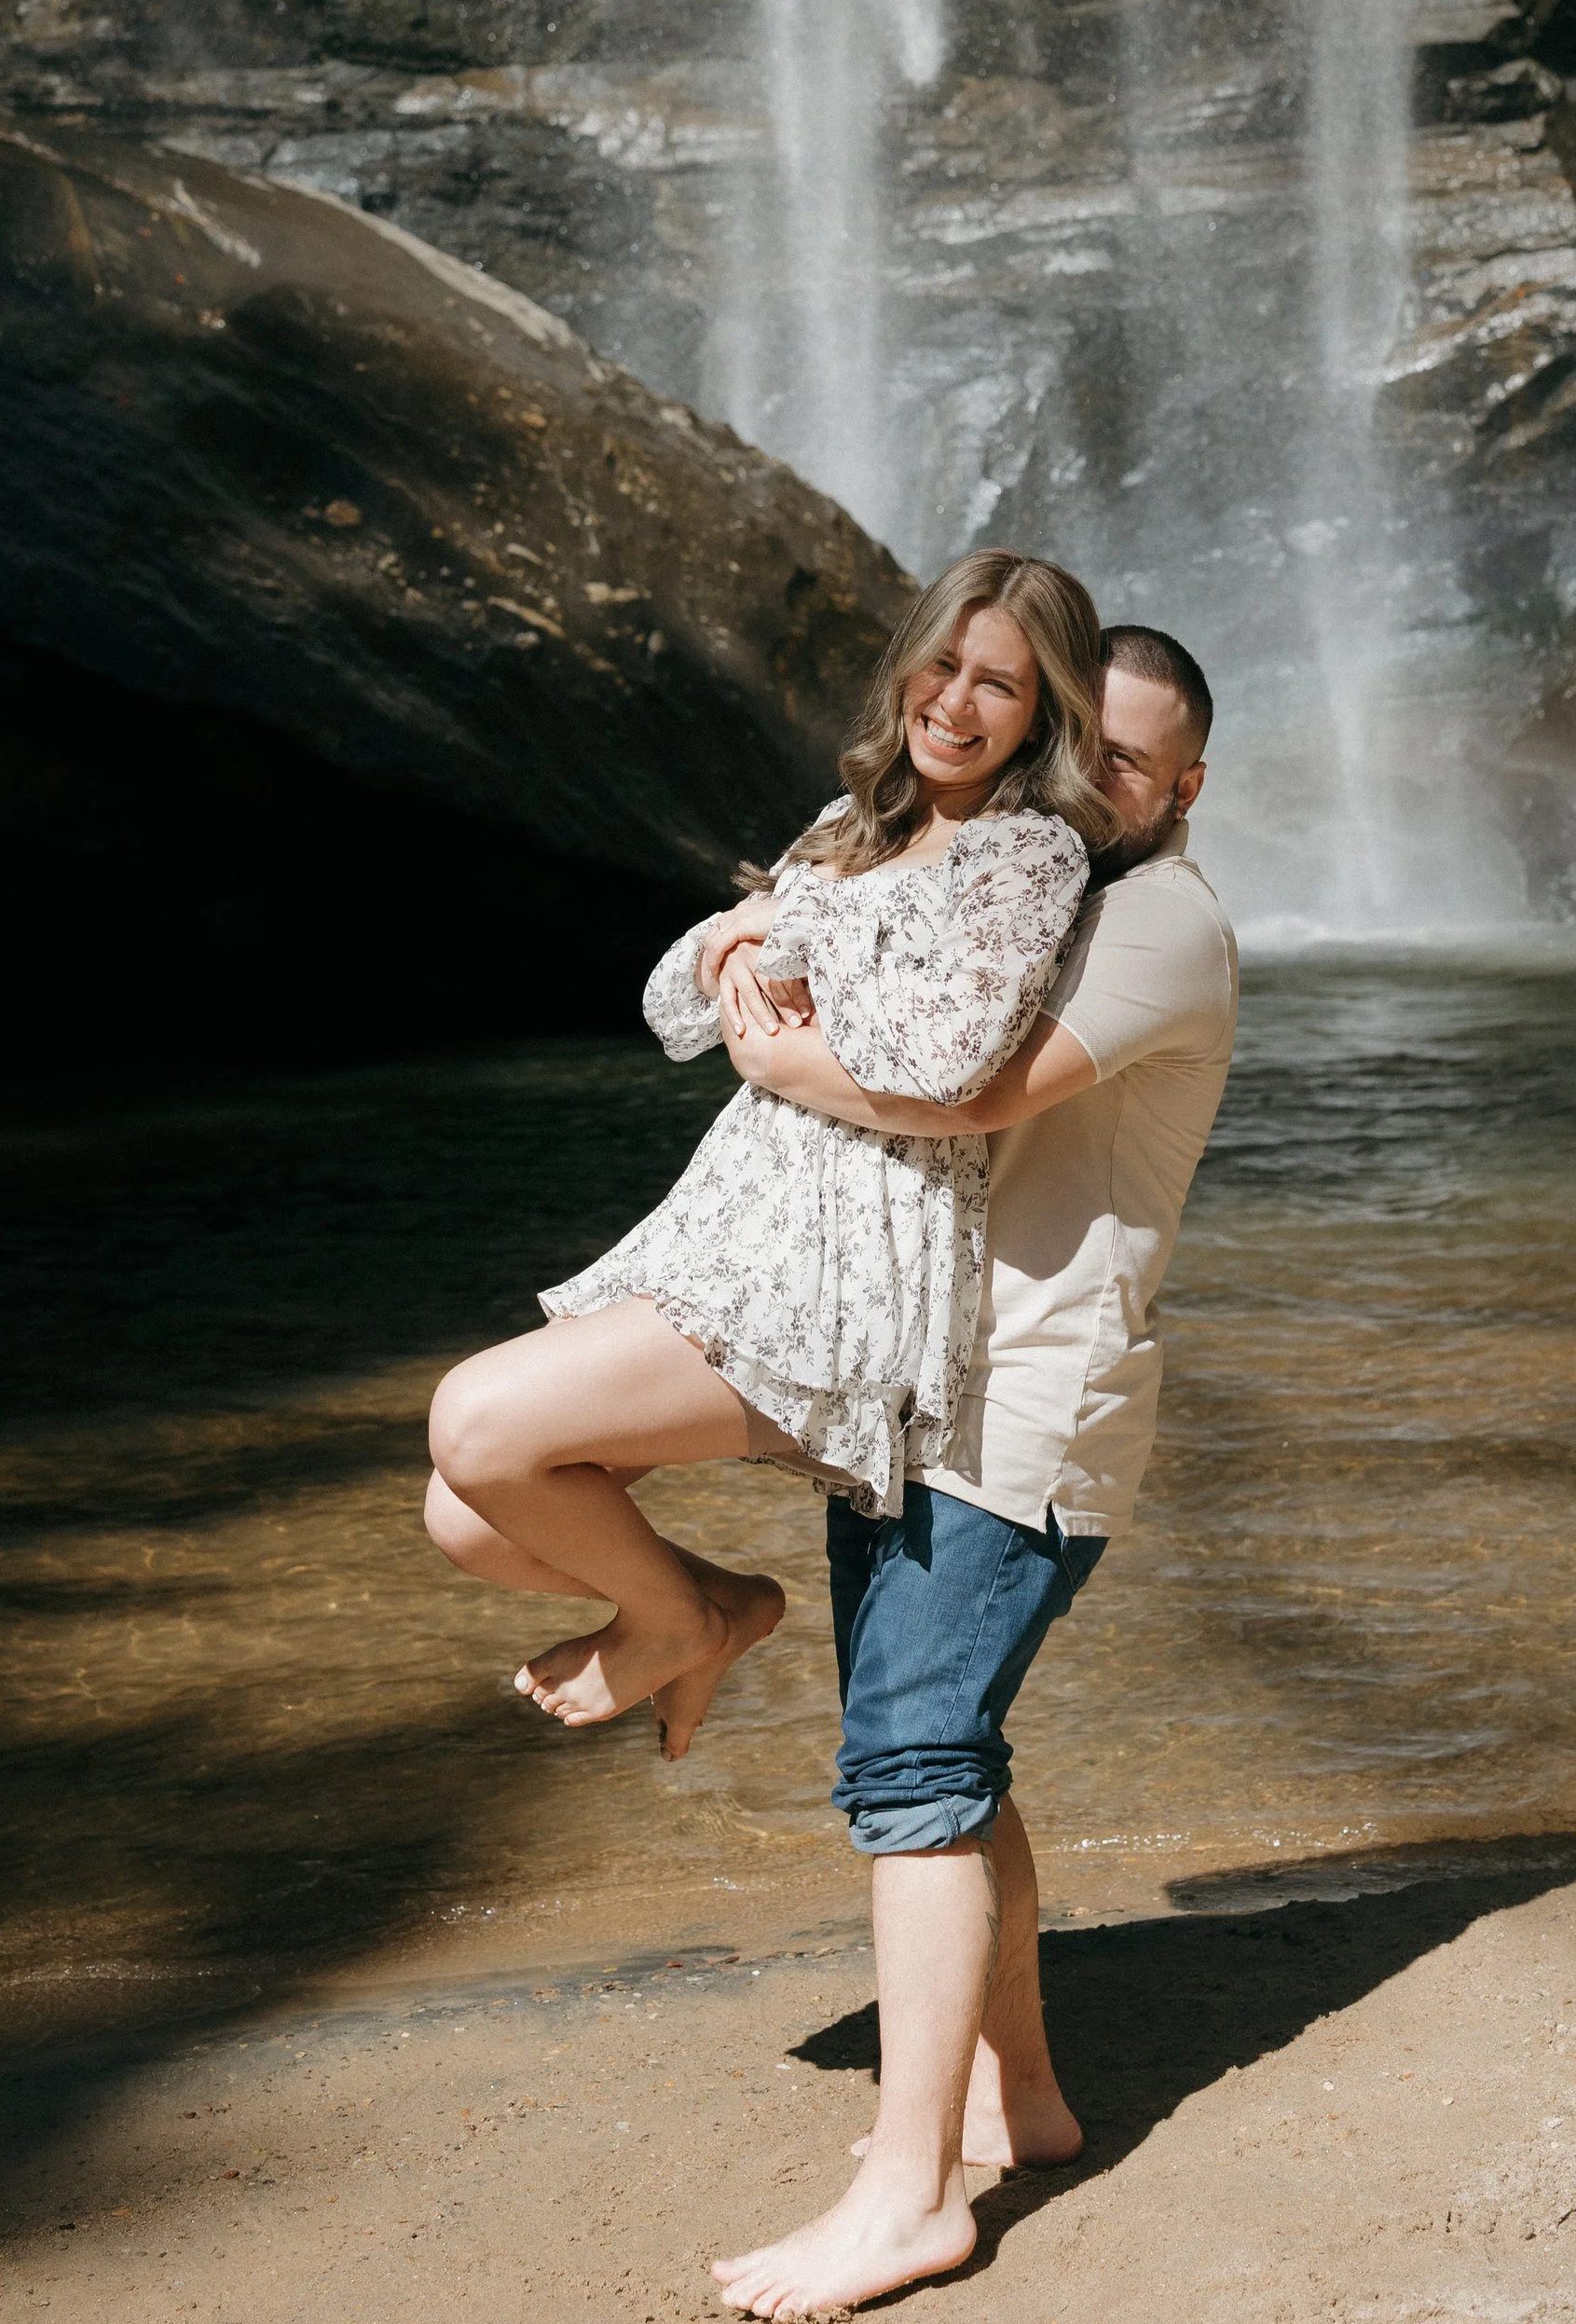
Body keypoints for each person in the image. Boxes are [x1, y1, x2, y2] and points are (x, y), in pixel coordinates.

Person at [697, 624, 1239, 2323]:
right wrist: (759, 934)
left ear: (1187, 786)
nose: (1101, 788)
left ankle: (911, 2187)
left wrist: (766, 1035)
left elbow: (962, 1089)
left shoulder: (1159, 919)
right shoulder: (1023, 877)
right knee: (943, 1746)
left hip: (1028, 1409)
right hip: (917, 1383)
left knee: (913, 1757)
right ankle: (1025, 2093)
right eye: (1086, 755)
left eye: (1134, 767)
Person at [421, 550, 1116, 1764]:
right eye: (942, 665)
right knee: (466, 1512)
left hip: (842, 1267)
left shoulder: (1029, 851)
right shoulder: (857, 823)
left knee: (477, 1422)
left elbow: (941, 1057)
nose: (954, 703)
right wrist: (737, 955)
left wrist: (779, 962)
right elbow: (670, 1000)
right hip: (720, 1234)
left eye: (997, 685)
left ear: (1044, 710)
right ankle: (712, 1609)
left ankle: (685, 1618)